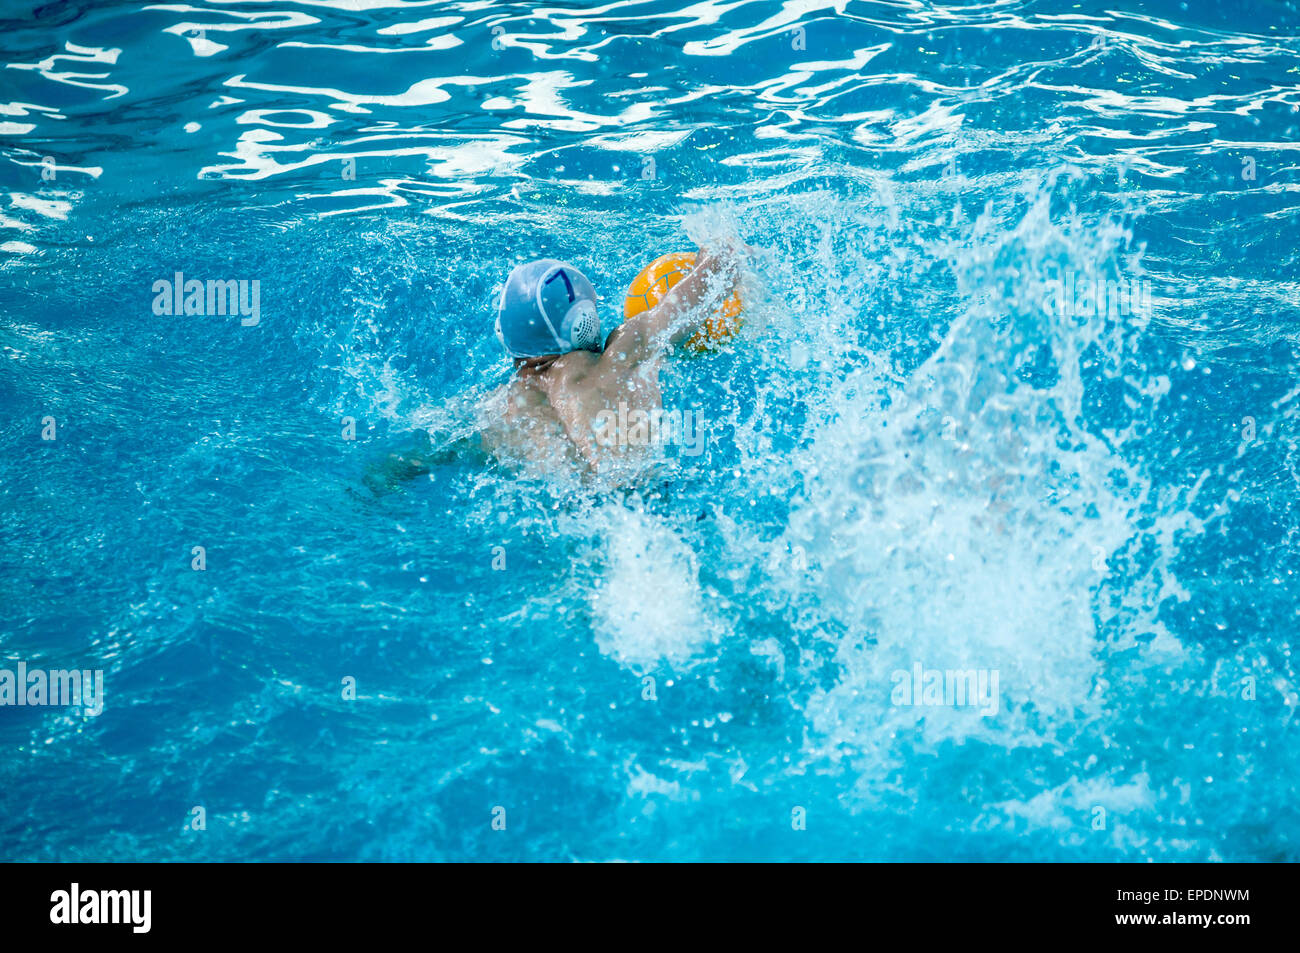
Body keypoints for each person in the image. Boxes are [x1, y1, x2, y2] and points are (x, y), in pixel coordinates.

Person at [366, 241, 749, 491]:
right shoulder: (620, 352)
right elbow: (699, 293)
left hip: (571, 518)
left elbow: (413, 457)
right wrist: (720, 254)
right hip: (642, 498)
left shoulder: (492, 409)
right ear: (585, 323)